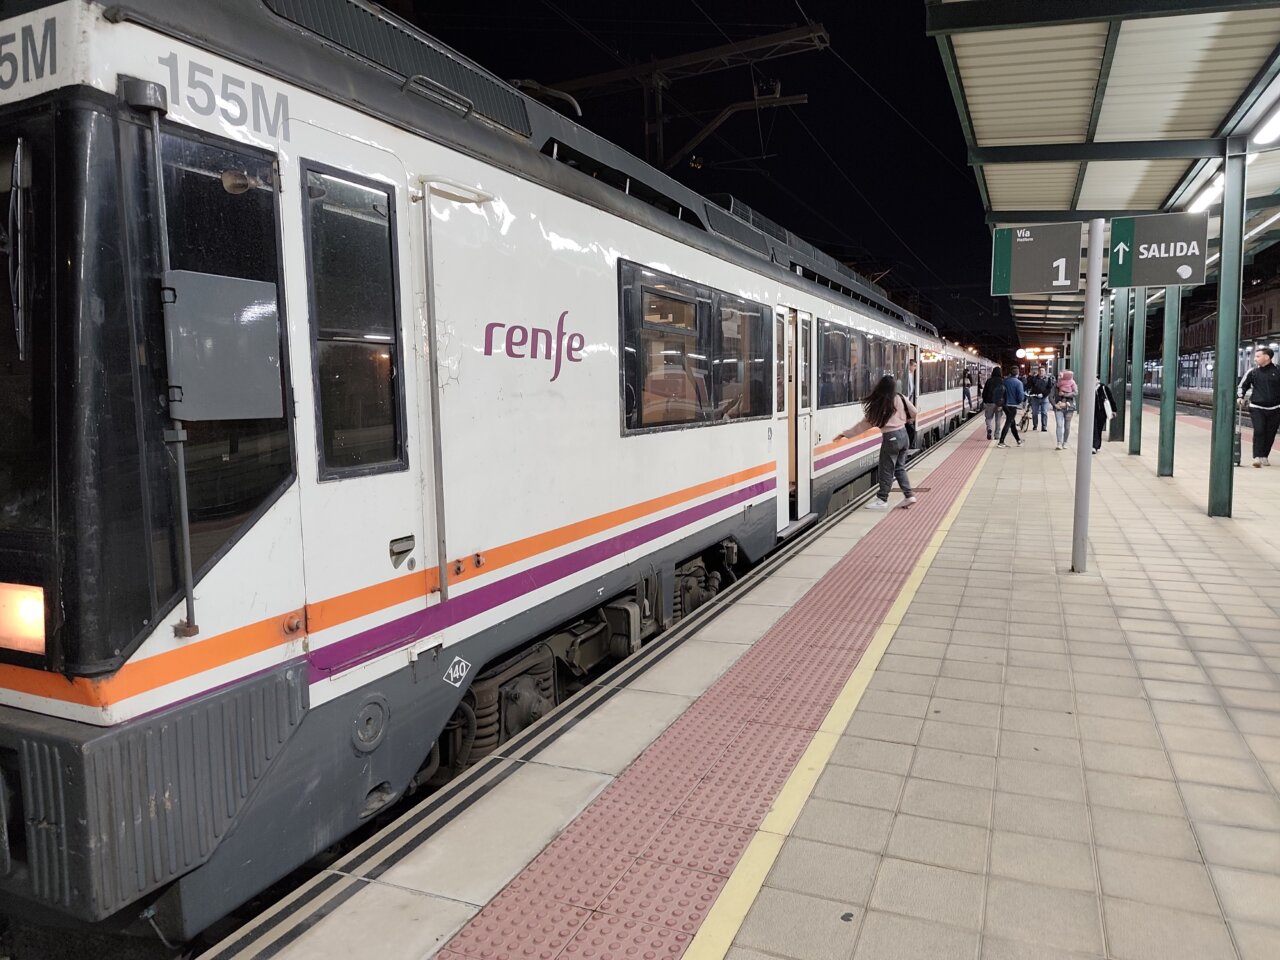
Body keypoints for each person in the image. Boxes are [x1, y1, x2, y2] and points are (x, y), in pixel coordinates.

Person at [838, 374, 917, 510]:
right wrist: (905, 419)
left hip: (891, 438)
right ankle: (909, 496)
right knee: (899, 467)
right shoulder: (900, 397)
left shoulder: (880, 403)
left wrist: (845, 434)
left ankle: (882, 499)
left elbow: (863, 425)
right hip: (904, 436)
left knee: (886, 469)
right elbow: (914, 412)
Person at [1238, 346, 1280, 467]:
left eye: (1257, 356)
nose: (1255, 359)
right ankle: (1257, 457)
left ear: (1267, 357)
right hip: (1257, 407)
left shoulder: (1278, 371)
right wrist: (1240, 396)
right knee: (1259, 430)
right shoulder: (1253, 372)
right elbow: (1242, 385)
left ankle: (1264, 456)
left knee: (1270, 433)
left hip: (1275, 408)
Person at [1050, 369, 1078, 450]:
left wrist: (1065, 394)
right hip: (1058, 407)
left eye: (1060, 375)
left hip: (1069, 408)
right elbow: (1051, 396)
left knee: (1067, 426)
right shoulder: (1056, 385)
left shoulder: (1073, 383)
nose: (1059, 377)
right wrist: (1055, 405)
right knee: (1059, 425)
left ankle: (1065, 442)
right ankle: (1059, 442)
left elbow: (1075, 393)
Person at [998, 368, 1026, 447]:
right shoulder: (1019, 383)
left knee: (1012, 423)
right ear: (1017, 374)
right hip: (1013, 406)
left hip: (1005, 405)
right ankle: (1001, 442)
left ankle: (1018, 440)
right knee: (1008, 422)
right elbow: (1021, 396)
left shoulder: (1005, 381)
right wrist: (1019, 402)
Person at [982, 366, 1006, 439]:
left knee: (988, 418)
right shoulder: (1002, 381)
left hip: (989, 403)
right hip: (999, 403)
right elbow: (1004, 393)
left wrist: (985, 401)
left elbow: (984, 392)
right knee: (998, 419)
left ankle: (989, 429)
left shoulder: (989, 381)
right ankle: (997, 435)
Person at [1028, 365, 1052, 432]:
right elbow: (1029, 386)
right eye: (1040, 370)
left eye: (1043, 371)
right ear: (1038, 371)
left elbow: (1049, 389)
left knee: (1044, 412)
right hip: (1035, 398)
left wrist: (1043, 394)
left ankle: (1044, 427)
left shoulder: (1048, 379)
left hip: (1044, 398)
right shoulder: (1034, 378)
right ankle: (1035, 425)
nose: (1041, 372)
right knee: (1035, 413)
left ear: (1045, 372)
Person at [1093, 381, 1116, 454]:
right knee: (1094, 428)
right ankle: (1094, 446)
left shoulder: (1104, 388)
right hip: (1092, 412)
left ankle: (1097, 445)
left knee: (1099, 428)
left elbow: (1110, 398)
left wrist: (1114, 410)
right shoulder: (1088, 387)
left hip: (1102, 412)